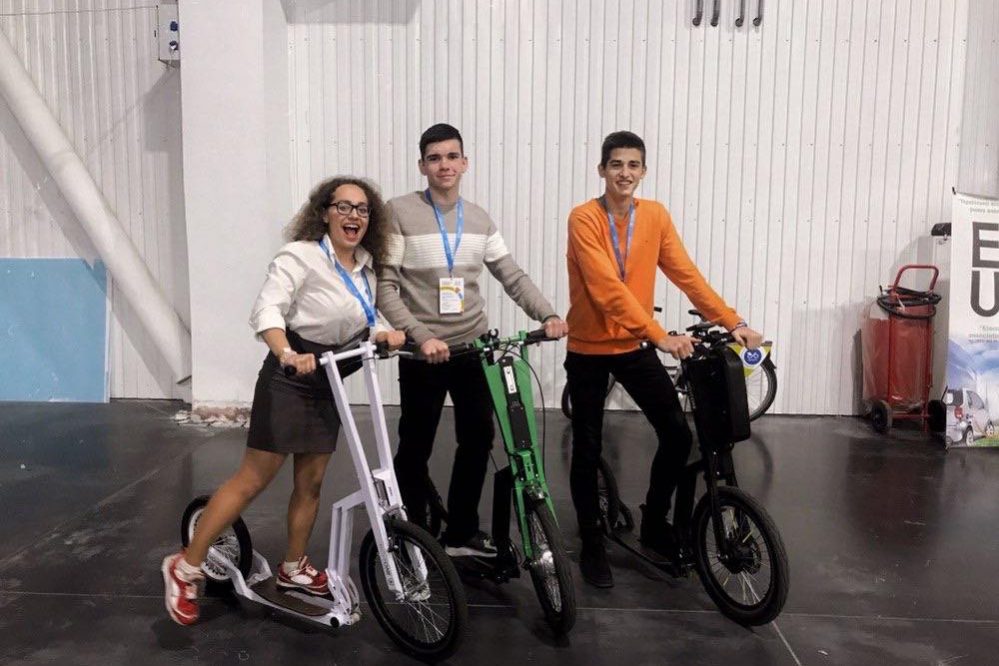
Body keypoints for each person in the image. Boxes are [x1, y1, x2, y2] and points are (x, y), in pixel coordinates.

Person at [161, 176, 406, 625]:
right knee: (253, 479)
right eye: (343, 206)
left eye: (362, 209)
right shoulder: (301, 256)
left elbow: (357, 319)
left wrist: (384, 333)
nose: (353, 215)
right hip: (290, 377)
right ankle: (186, 565)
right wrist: (287, 353)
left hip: (328, 379)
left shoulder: (366, 268)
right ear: (324, 213)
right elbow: (268, 309)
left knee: (311, 483)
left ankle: (293, 568)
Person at [564, 131, 764, 588]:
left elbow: (686, 274)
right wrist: (659, 335)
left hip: (633, 347)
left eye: (633, 165)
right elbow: (606, 290)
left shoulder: (654, 216)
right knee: (588, 447)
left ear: (644, 171)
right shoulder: (584, 218)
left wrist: (732, 321)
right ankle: (592, 543)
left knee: (676, 433)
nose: (625, 173)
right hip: (589, 349)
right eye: (616, 164)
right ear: (601, 170)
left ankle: (655, 520)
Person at [377, 123, 568, 557]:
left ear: (465, 163)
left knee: (478, 440)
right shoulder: (399, 212)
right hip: (423, 354)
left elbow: (511, 275)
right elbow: (385, 288)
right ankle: (412, 535)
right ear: (422, 165)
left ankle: (461, 533)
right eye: (434, 158)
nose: (444, 165)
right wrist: (422, 337)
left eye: (451, 156)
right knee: (416, 445)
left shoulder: (479, 219)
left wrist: (548, 314)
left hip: (473, 348)